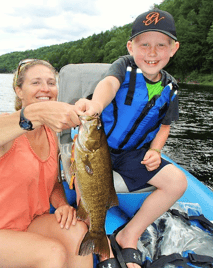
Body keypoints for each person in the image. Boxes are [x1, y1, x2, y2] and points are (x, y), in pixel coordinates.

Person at [0, 59, 93, 268]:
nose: (45, 88)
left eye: (51, 83)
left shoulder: (51, 133)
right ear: (19, 90)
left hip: (27, 224)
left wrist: (62, 205)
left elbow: (53, 183)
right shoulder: (6, 128)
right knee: (52, 254)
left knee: (78, 232)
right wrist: (34, 114)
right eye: (35, 83)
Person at [75, 9, 187, 268]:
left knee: (177, 182)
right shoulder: (123, 66)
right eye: (144, 44)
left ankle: (130, 234)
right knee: (85, 187)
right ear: (130, 46)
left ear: (174, 49)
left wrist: (156, 151)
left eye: (161, 45)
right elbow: (109, 85)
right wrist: (96, 106)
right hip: (97, 145)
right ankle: (101, 242)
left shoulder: (170, 89)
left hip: (132, 153)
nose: (152, 52)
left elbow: (164, 127)